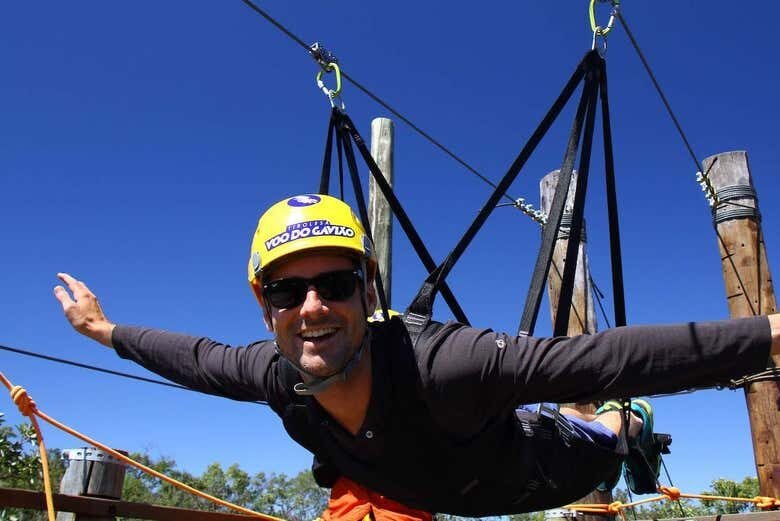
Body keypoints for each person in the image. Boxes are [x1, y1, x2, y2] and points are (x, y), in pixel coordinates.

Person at [54, 194, 780, 519]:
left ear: (365, 290)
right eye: (287, 289)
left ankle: (627, 428)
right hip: (431, 476)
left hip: (535, 472)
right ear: (263, 302)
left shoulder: (445, 364)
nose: (311, 308)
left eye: (335, 283)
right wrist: (104, 328)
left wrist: (769, 335)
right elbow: (193, 356)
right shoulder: (271, 374)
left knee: (601, 426)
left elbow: (603, 354)